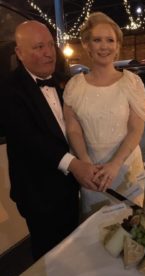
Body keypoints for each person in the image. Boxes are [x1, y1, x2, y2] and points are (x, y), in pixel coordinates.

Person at [0, 20, 100, 261]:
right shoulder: (8, 90)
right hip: (38, 193)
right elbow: (30, 139)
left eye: (49, 45)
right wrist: (75, 165)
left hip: (68, 188)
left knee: (72, 250)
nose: (47, 53)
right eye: (38, 47)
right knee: (49, 258)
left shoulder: (61, 82)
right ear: (19, 53)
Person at [63, 12, 145, 218]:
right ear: (87, 45)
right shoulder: (74, 86)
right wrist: (84, 163)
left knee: (132, 232)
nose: (104, 46)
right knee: (94, 235)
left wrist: (114, 165)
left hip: (126, 170)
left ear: (118, 46)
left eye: (110, 40)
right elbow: (73, 129)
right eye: (97, 40)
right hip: (91, 174)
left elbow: (136, 128)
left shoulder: (132, 83)